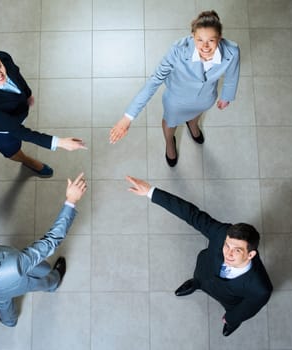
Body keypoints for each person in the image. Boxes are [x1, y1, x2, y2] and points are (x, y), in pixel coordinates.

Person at [126, 175, 272, 336]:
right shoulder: (221, 232)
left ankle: (231, 324)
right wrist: (150, 192)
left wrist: (231, 318)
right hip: (205, 271)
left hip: (230, 300)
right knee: (200, 279)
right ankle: (196, 284)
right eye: (226, 245)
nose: (227, 253)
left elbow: (247, 308)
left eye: (237, 250)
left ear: (251, 254)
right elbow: (191, 214)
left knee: (234, 316)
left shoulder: (261, 288)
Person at [0, 172, 87, 327]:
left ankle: (8, 319)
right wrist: (71, 201)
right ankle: (53, 284)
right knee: (41, 281)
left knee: (3, 302)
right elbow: (51, 241)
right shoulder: (13, 266)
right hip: (13, 282)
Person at [110, 11, 240, 167]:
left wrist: (226, 96)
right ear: (193, 36)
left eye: (211, 40)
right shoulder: (178, 50)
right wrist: (127, 118)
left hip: (206, 97)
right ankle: (170, 142)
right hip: (176, 99)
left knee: (197, 114)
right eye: (199, 40)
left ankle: (193, 125)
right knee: (170, 122)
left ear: (219, 37)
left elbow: (232, 75)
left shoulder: (232, 51)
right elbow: (154, 80)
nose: (205, 46)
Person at [0, 48, 87, 177]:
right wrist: (60, 142)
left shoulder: (4, 57)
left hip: (3, 117)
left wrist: (27, 93)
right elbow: (19, 131)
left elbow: (17, 75)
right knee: (11, 152)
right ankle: (27, 161)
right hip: (4, 130)